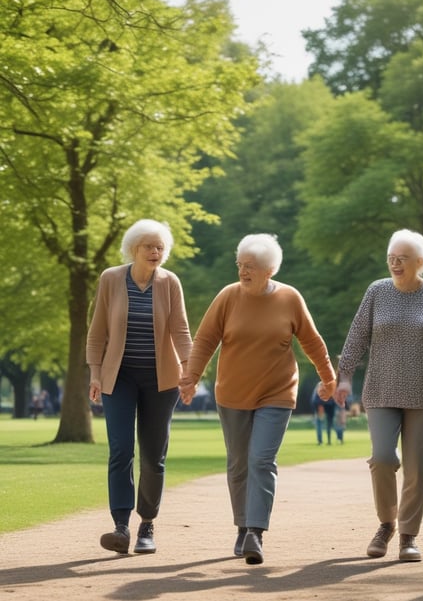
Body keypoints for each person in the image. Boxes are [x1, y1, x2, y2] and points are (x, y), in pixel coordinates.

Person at [179, 233, 337, 566]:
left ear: (269, 270)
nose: (242, 271)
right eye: (240, 265)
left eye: (250, 266)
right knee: (238, 463)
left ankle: (255, 531)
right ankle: (241, 525)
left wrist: (328, 377)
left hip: (277, 392)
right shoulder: (228, 297)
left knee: (261, 460)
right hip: (232, 393)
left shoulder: (290, 298)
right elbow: (205, 339)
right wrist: (191, 378)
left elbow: (312, 341)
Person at [334, 229, 423, 563]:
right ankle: (386, 524)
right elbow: (357, 335)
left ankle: (408, 536)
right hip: (380, 388)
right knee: (382, 458)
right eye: (391, 258)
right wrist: (345, 376)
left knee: (417, 469)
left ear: (419, 263)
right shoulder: (377, 292)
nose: (394, 264)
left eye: (402, 259)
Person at [87, 219, 192, 555]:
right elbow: (97, 331)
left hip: (161, 382)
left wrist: (190, 371)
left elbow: (181, 332)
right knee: (120, 450)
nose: (155, 252)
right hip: (118, 378)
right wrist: (94, 373)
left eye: (160, 247)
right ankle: (120, 526)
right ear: (133, 248)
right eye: (149, 246)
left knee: (153, 456)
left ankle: (147, 525)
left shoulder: (170, 283)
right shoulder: (111, 279)